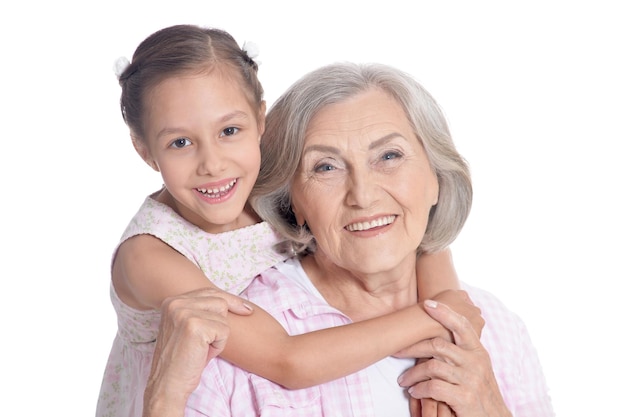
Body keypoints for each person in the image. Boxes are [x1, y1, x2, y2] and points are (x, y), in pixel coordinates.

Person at [96, 25, 482, 417]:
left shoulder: (255, 182)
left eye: (230, 130)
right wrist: (432, 320)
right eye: (180, 143)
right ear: (143, 149)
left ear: (260, 120)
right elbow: (286, 361)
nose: (212, 164)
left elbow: (409, 230)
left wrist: (448, 316)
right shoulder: (149, 255)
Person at [144, 62, 555, 417]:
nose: (364, 195)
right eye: (325, 167)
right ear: (293, 203)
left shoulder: (496, 326)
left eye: (389, 157)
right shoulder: (230, 341)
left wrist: (491, 408)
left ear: (436, 180)